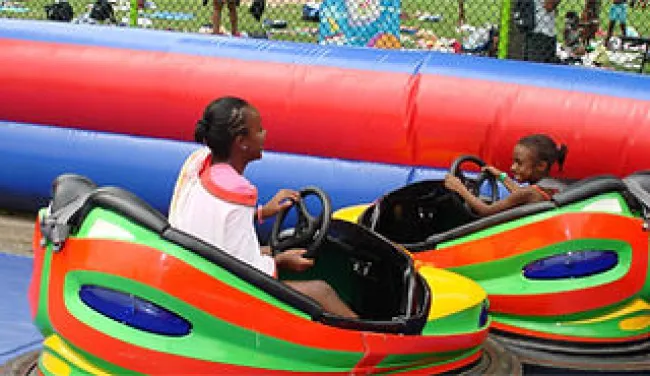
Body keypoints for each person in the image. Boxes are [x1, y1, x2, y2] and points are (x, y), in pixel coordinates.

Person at [168, 96, 357, 319]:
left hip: (193, 271)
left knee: (272, 249)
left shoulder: (199, 163)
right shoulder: (238, 193)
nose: (264, 134)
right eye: (259, 130)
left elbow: (218, 225)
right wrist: (281, 260)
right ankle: (376, 340)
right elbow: (248, 273)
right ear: (242, 142)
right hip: (223, 294)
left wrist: (261, 213)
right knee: (321, 291)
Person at [444, 134, 568, 217]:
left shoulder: (529, 193)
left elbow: (486, 211)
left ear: (541, 166)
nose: (512, 168)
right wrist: (502, 177)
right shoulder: (550, 188)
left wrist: (460, 189)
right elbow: (521, 194)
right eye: (513, 162)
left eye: (519, 163)